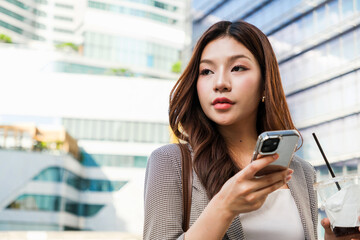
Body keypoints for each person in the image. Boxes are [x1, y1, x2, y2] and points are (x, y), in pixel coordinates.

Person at [143, 20, 358, 240]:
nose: (220, 83)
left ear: (265, 83)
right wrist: (224, 208)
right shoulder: (170, 162)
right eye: (206, 71)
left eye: (237, 68)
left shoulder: (301, 172)